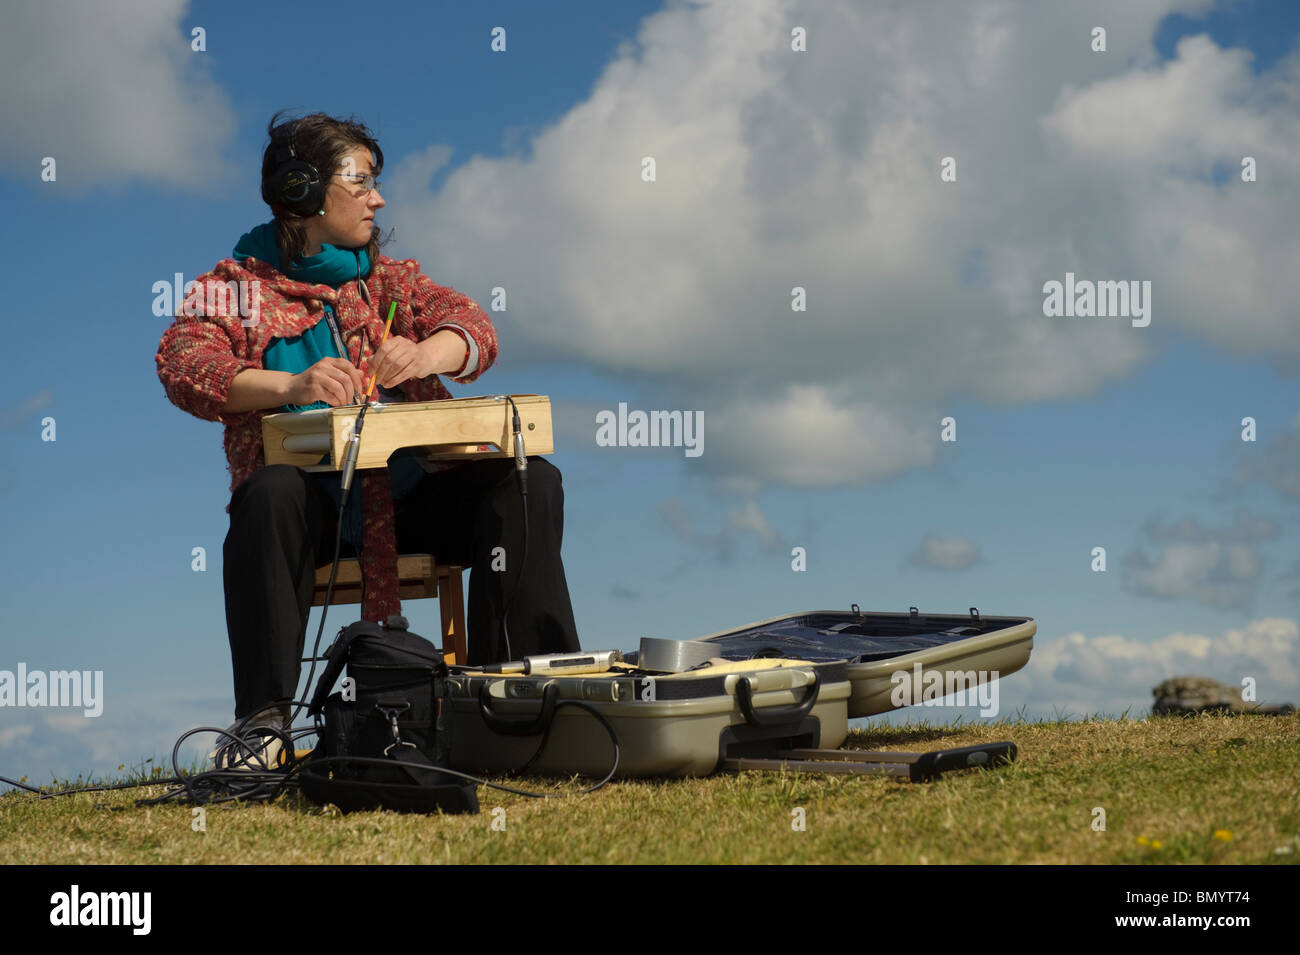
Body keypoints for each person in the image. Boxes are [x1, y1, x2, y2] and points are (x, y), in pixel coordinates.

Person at [155, 111, 581, 767]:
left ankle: (514, 698)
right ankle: (263, 723)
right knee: (269, 492)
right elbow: (183, 365)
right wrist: (290, 386)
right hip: (311, 515)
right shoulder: (233, 288)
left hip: (412, 507)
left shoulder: (391, 280)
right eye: (362, 182)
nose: (377, 199)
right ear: (302, 192)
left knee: (528, 480)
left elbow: (476, 329)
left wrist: (428, 352)